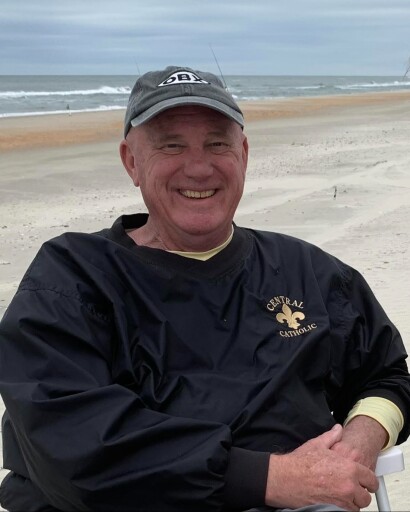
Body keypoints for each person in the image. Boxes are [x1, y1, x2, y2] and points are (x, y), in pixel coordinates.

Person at [0, 66, 409, 512]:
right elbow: (70, 445)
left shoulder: (308, 271)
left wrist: (356, 447)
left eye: (217, 144)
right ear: (131, 161)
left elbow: (387, 376)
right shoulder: (74, 278)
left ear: (243, 155)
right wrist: (270, 478)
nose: (198, 167)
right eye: (171, 145)